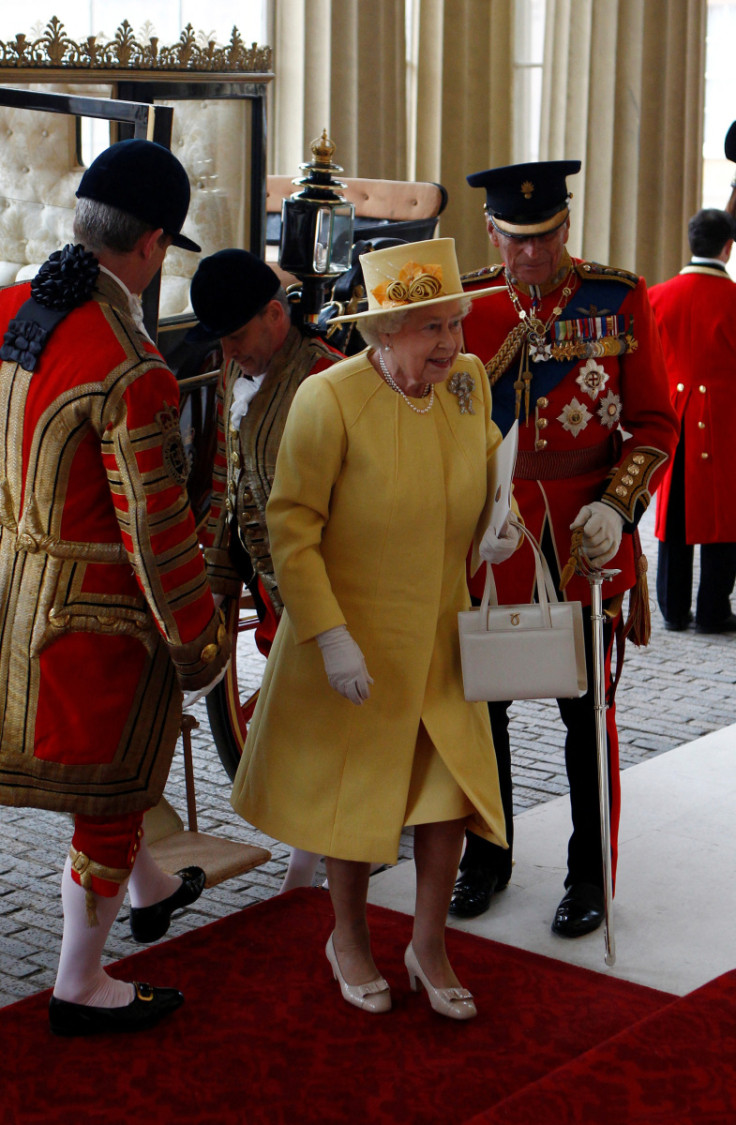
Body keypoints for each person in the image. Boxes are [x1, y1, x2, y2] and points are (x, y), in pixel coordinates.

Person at [230, 238, 515, 1020]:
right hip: (357, 639)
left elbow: (493, 464)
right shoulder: (329, 400)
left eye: (454, 322)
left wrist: (504, 516)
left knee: (446, 794)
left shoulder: (465, 386)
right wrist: (328, 635)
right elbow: (291, 527)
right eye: (431, 328)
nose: (451, 344)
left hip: (443, 630)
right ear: (383, 331)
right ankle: (348, 936)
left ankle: (428, 943)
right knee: (358, 799)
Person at [0, 139, 230, 1036]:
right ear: (153, 243)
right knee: (111, 791)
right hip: (89, 621)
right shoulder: (131, 369)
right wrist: (200, 639)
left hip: (10, 588)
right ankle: (80, 981)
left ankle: (152, 887)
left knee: (120, 785)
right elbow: (157, 532)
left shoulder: (14, 306)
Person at [452, 160, 679, 936]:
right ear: (492, 234)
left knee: (587, 715)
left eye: (546, 236)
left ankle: (590, 875)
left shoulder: (615, 298)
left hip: (588, 537)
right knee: (485, 707)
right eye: (516, 240)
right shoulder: (472, 305)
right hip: (496, 540)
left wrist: (620, 508)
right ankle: (487, 854)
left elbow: (654, 424)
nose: (532, 254)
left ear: (567, 225)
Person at [189, 249, 344, 893]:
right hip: (274, 588)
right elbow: (228, 482)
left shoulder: (332, 379)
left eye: (236, 337)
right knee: (309, 728)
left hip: (331, 590)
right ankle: (311, 859)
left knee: (326, 726)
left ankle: (315, 862)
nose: (228, 354)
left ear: (276, 317)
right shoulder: (236, 371)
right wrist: (217, 582)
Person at [649, 209, 736, 633]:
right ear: (728, 247)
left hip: (674, 416)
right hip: (724, 422)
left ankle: (673, 608)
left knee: (675, 515)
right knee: (725, 515)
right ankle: (713, 610)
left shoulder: (658, 295)